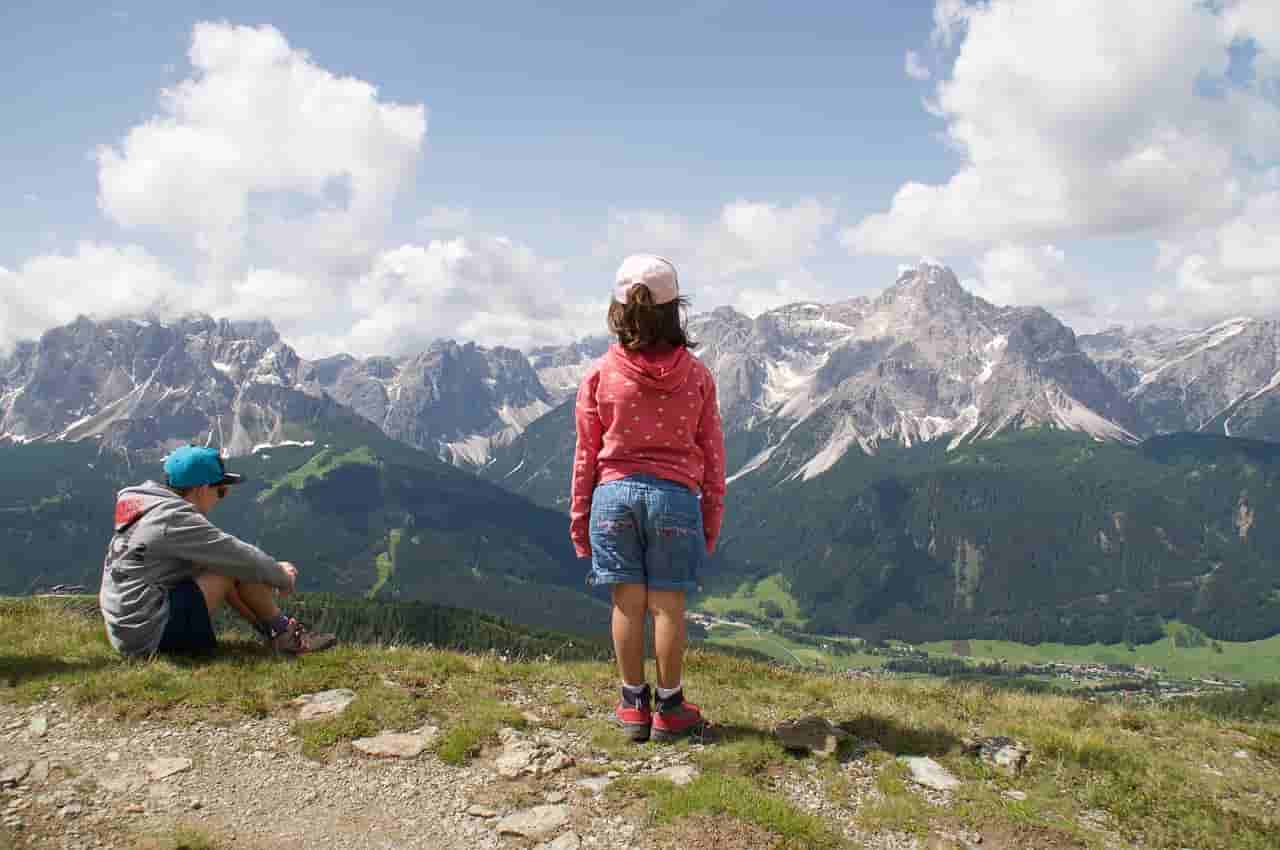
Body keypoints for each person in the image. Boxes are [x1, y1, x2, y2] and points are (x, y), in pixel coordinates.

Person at [570, 254, 726, 742]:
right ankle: (671, 707)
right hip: (675, 500)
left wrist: (579, 516)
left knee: (626, 604)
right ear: (674, 311)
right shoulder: (698, 376)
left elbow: (585, 453)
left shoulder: (599, 374)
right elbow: (713, 452)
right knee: (667, 607)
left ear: (619, 312)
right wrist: (711, 513)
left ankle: (632, 705)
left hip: (612, 497)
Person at [100, 445, 336, 657]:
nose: (223, 497)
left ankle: (279, 634)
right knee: (229, 568)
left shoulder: (147, 508)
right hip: (147, 636)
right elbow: (240, 557)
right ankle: (285, 636)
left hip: (128, 629)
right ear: (202, 489)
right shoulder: (174, 520)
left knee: (221, 564)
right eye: (221, 491)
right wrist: (282, 576)